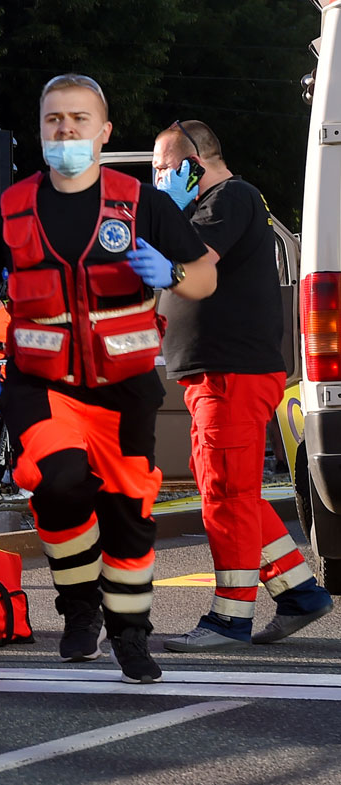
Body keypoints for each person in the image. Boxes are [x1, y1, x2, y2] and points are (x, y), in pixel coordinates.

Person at [0, 74, 217, 684]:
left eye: (78, 119)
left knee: (129, 510)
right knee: (58, 480)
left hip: (124, 388)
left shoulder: (142, 202)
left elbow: (206, 275)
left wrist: (172, 271)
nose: (66, 129)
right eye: (54, 120)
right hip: (41, 383)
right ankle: (79, 611)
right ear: (41, 130)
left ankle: (129, 633)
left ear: (103, 132)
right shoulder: (9, 208)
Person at [152, 120, 333, 650]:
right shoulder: (218, 205)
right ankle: (299, 591)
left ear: (194, 164)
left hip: (231, 374)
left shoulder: (228, 198)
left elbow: (191, 265)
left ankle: (229, 618)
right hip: (221, 373)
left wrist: (165, 217)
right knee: (230, 493)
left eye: (164, 166)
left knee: (226, 497)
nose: (157, 176)